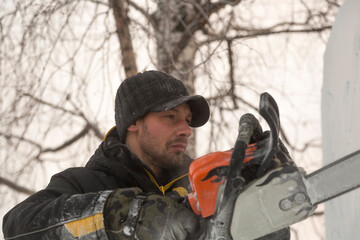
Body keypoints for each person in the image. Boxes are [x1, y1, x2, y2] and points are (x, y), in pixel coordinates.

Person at [3, 70, 290, 240]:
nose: (185, 130)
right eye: (170, 117)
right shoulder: (85, 183)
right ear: (133, 122)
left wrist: (264, 210)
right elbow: (19, 226)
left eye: (187, 120)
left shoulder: (200, 189)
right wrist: (128, 216)